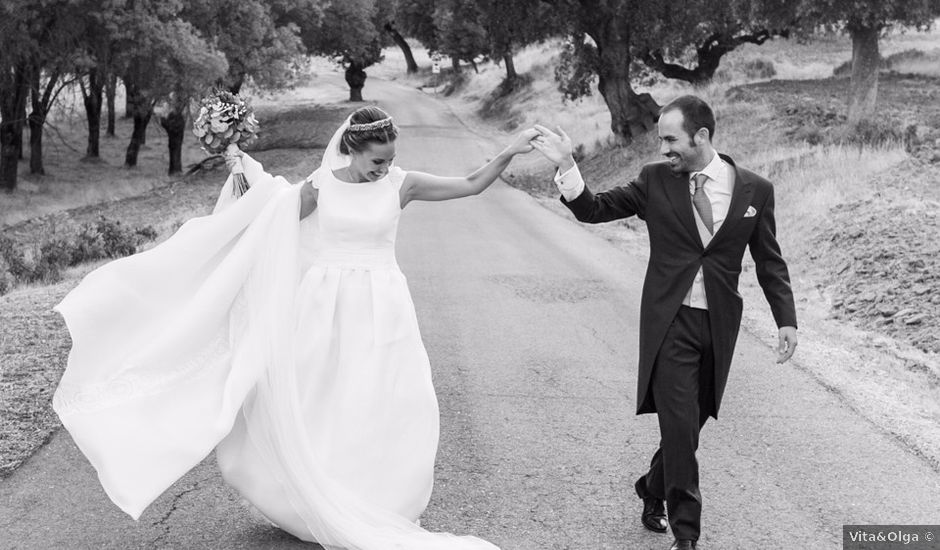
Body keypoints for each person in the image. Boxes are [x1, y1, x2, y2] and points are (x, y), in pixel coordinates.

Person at [53, 105, 538, 549]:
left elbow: (472, 183)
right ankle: (312, 498)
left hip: (384, 307)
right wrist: (241, 168)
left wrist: (509, 150)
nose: (384, 169)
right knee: (319, 399)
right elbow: (270, 222)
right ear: (351, 149)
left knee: (391, 400)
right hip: (323, 308)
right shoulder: (321, 186)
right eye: (376, 161)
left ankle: (381, 502)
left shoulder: (402, 185)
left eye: (390, 160)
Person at [530, 95, 798, 550]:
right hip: (669, 325)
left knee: (687, 429)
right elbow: (594, 208)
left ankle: (650, 488)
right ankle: (687, 536)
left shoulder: (756, 190)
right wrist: (568, 167)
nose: (663, 150)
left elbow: (769, 261)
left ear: (702, 136)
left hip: (717, 328)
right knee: (678, 428)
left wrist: (786, 320)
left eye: (671, 140)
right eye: (660, 141)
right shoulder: (655, 181)